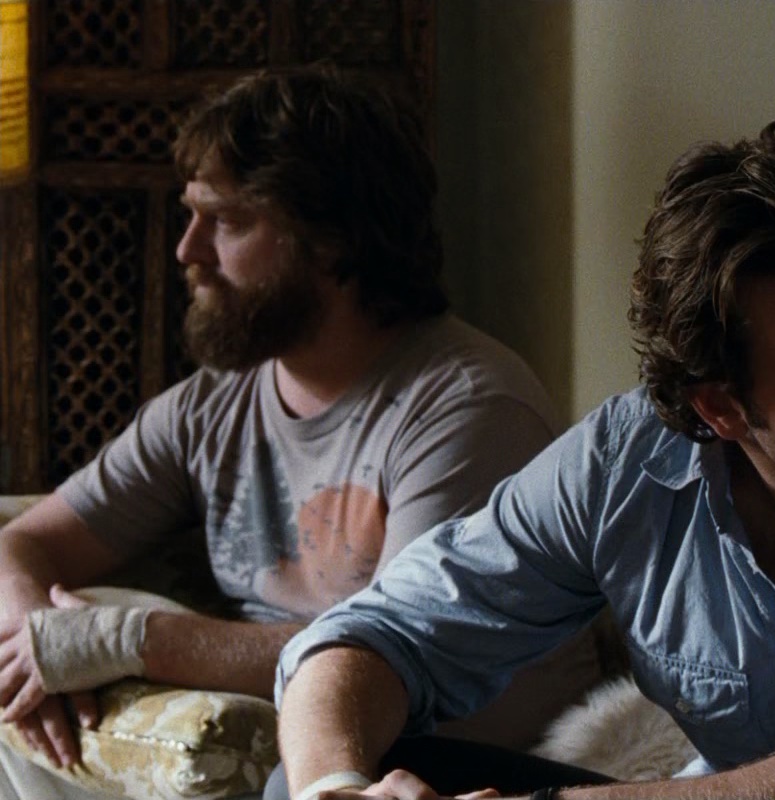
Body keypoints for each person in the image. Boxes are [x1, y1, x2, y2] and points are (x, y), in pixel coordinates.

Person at [272, 119, 775, 800]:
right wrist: (334, 788)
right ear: (721, 408)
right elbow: (379, 632)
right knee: (305, 779)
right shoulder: (628, 461)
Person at [0, 67, 601, 799]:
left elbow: (393, 653)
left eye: (226, 221)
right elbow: (20, 544)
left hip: (446, 765)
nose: (188, 251)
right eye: (192, 216)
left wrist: (122, 640)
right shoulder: (210, 407)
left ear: (330, 238)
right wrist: (35, 649)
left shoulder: (466, 410)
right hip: (285, 739)